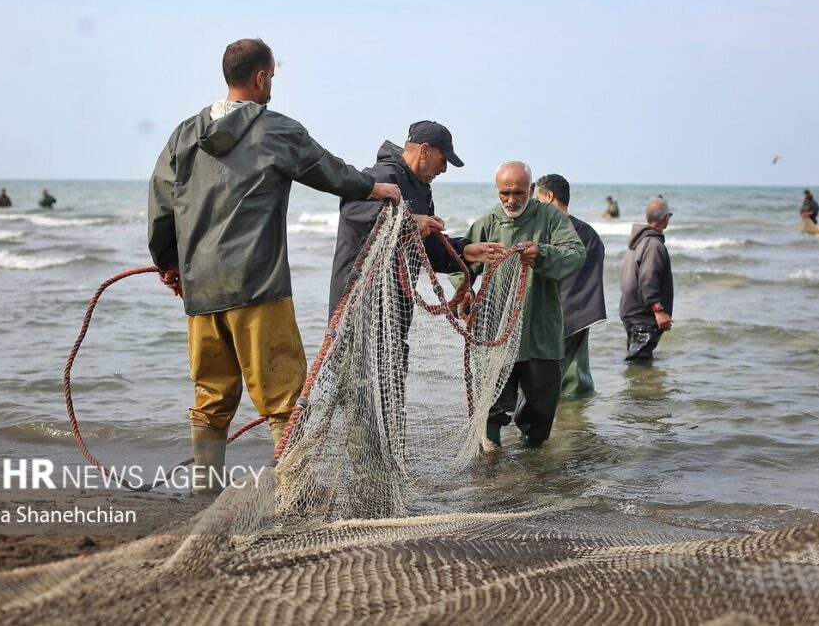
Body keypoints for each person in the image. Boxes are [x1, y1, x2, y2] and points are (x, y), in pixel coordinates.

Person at [148, 38, 401, 494]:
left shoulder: (185, 134)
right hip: (257, 284)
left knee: (210, 396)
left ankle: (205, 491)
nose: (272, 87)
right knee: (283, 397)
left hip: (202, 290)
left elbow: (161, 205)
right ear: (261, 77)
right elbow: (326, 169)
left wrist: (171, 267)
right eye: (272, 78)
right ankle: (294, 494)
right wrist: (372, 188)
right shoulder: (276, 130)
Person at [454, 162, 586, 448]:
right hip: (495, 332)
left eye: (518, 193)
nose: (511, 200)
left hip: (541, 329)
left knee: (541, 409)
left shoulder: (551, 218)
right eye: (505, 193)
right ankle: (491, 468)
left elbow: (576, 254)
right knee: (492, 406)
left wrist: (543, 254)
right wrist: (464, 291)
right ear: (497, 191)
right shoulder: (486, 223)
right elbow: (460, 265)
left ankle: (533, 469)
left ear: (532, 190)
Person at [328, 121, 504, 318]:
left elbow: (428, 247)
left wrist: (463, 251)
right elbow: (353, 210)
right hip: (359, 303)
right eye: (443, 159)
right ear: (425, 151)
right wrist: (410, 220)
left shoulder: (422, 191)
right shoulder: (381, 175)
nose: (444, 169)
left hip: (396, 307)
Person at [536, 174, 606, 397]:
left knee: (540, 380)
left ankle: (560, 425)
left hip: (549, 316)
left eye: (538, 199)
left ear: (549, 196)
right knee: (575, 379)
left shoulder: (546, 231)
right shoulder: (590, 234)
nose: (536, 205)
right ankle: (574, 424)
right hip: (581, 314)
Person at [618, 197, 674, 362]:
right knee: (639, 363)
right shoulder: (653, 245)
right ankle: (639, 389)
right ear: (665, 219)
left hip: (632, 311)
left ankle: (638, 387)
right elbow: (648, 280)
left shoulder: (638, 242)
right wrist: (659, 311)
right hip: (642, 316)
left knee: (639, 361)